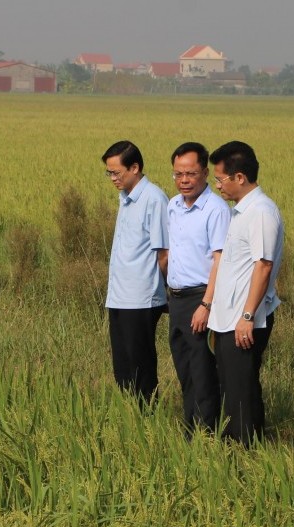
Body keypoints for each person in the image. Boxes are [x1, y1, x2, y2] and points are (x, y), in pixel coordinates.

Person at [207, 141, 284, 445]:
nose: (218, 186)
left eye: (220, 179)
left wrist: (247, 316)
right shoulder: (242, 211)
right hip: (230, 316)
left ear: (240, 177)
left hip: (245, 317)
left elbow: (263, 266)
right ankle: (240, 442)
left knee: (241, 388)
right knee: (235, 386)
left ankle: (244, 447)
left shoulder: (261, 212)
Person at [166, 142, 231, 432]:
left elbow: (220, 259)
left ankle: (206, 431)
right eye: (178, 174)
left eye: (190, 174)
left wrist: (206, 304)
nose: (184, 180)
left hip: (200, 298)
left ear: (205, 172)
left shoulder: (216, 209)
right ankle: (189, 426)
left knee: (203, 369)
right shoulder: (173, 206)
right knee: (184, 366)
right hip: (176, 298)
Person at [101, 140, 169, 406]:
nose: (113, 179)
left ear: (135, 167)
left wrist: (166, 291)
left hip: (141, 297)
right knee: (123, 366)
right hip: (118, 295)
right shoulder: (126, 198)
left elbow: (163, 253)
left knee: (140, 365)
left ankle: (147, 416)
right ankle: (131, 415)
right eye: (109, 173)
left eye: (116, 172)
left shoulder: (154, 198)